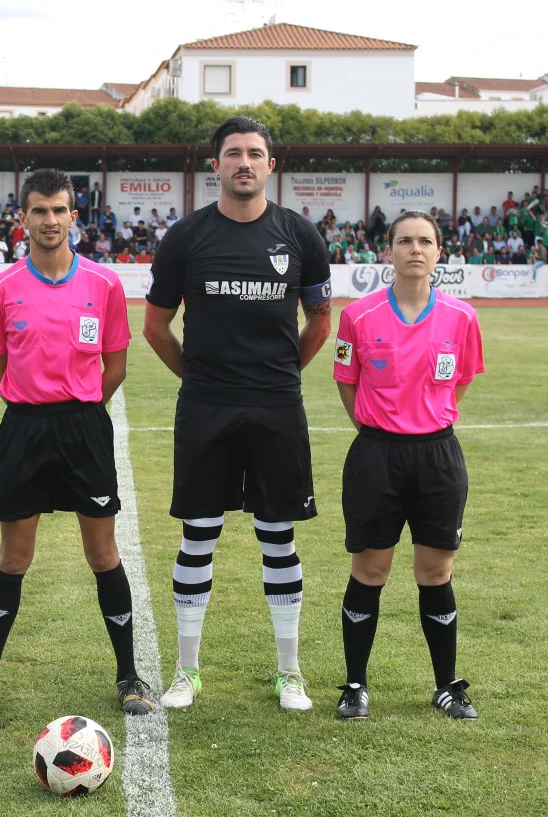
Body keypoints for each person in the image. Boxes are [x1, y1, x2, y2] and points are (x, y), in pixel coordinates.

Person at [142, 116, 332, 712]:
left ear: (271, 165)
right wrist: (200, 378)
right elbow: (154, 326)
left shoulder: (300, 235)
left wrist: (278, 376)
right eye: (233, 154)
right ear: (215, 166)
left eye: (254, 153)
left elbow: (320, 320)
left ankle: (290, 673)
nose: (244, 163)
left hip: (277, 407)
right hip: (207, 407)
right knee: (199, 535)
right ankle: (187, 672)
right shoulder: (186, 237)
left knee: (278, 537)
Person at [0, 168, 154, 718]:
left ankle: (129, 676)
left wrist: (81, 403)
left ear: (74, 216)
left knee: (102, 553)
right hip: (24, 429)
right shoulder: (2, 288)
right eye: (39, 210)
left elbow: (114, 363)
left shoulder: (104, 285)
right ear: (22, 219)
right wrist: (33, 402)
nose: (49, 220)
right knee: (14, 555)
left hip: (84, 429)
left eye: (58, 210)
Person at [331, 210, 484, 721]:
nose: (415, 249)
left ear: (440, 251)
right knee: (370, 568)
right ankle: (355, 685)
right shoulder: (360, 315)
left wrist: (425, 420)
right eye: (404, 241)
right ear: (388, 251)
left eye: (425, 241)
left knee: (435, 570)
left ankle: (446, 685)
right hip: (377, 454)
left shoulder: (462, 317)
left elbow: (460, 381)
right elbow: (347, 383)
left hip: (438, 455)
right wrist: (381, 429)